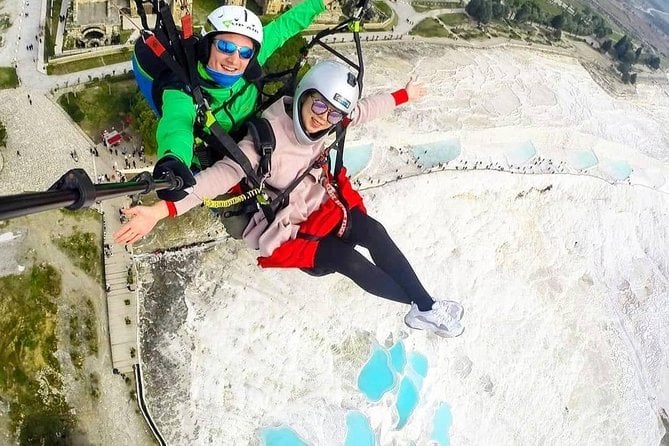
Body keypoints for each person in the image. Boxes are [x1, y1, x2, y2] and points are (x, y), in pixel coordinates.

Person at [115, 60, 465, 338]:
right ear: (305, 94)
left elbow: (364, 110)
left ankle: (425, 307)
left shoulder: (331, 120)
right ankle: (424, 306)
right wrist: (161, 210)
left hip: (322, 203)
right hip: (290, 228)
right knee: (349, 261)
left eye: (332, 115)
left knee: (373, 231)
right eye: (318, 106)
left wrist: (405, 95)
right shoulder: (264, 143)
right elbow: (217, 178)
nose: (321, 120)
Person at [154, 0, 335, 201]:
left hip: (252, 138)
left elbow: (285, 26)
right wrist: (173, 162)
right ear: (206, 47)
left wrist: (319, 3)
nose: (234, 59)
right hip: (217, 154)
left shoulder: (248, 64)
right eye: (225, 46)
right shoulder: (182, 90)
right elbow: (177, 125)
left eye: (245, 52)